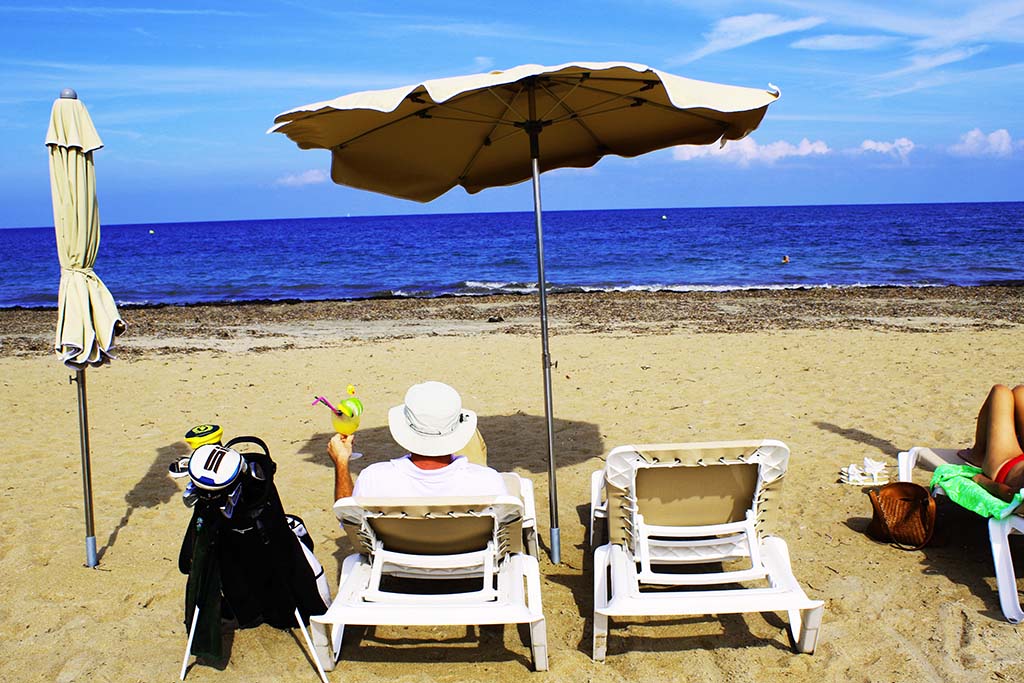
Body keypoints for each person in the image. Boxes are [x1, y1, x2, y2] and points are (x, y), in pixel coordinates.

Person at [327, 380, 507, 502]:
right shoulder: (487, 482)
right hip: (470, 557)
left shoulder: (375, 479)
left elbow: (348, 521)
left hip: (397, 557)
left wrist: (341, 462)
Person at [958, 384, 1024, 501]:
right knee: (1021, 392)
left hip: (1005, 465)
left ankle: (977, 454)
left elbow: (1010, 494)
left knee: (1000, 392)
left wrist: (981, 480)